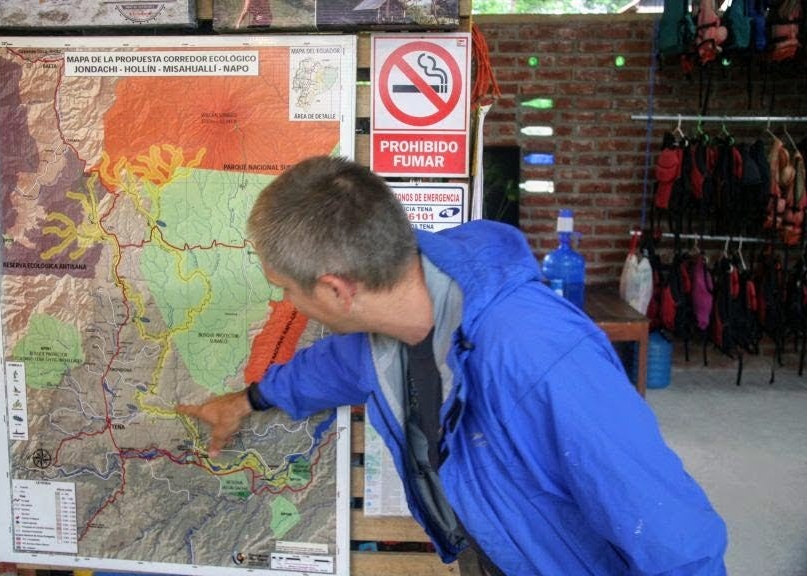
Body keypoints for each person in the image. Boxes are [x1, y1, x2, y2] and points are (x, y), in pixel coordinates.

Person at [176, 155, 728, 575]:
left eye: (287, 291)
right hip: (489, 551)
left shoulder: (535, 350)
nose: (287, 304)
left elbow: (667, 528)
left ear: (336, 289)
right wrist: (245, 402)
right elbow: (330, 367)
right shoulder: (388, 324)